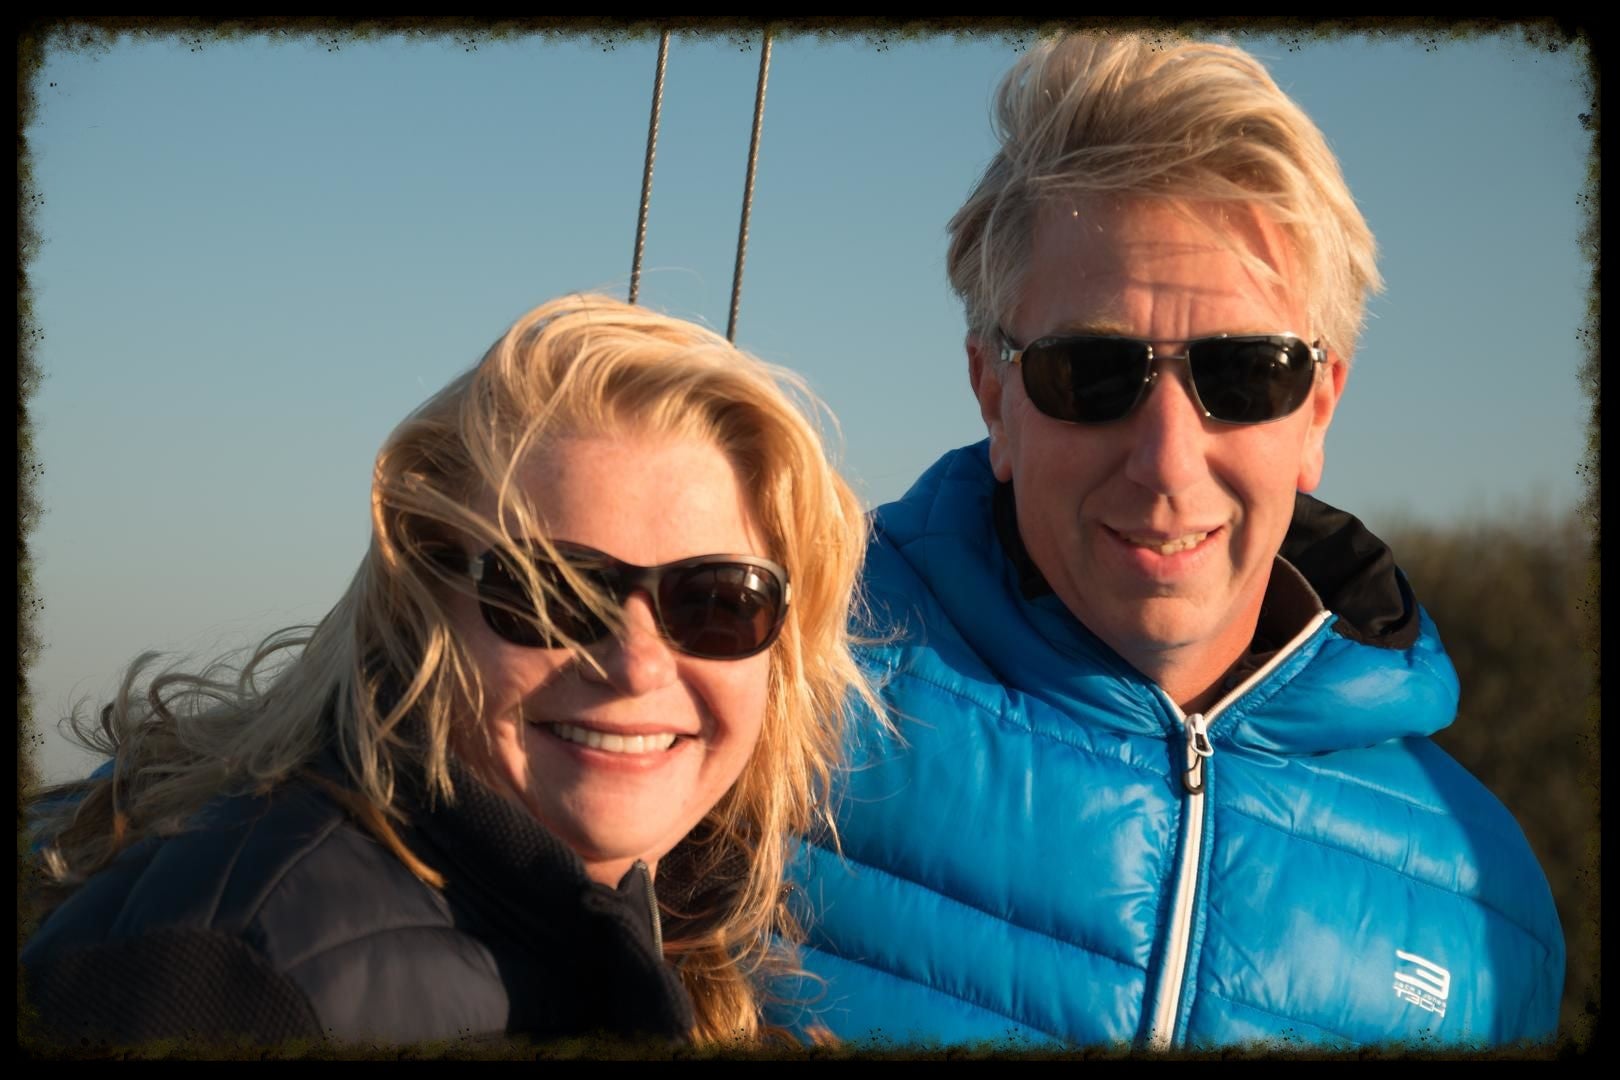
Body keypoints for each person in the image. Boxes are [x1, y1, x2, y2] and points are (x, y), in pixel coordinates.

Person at [778, 34, 1564, 1051]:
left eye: (1246, 375)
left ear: (1319, 407)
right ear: (994, 394)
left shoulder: (1488, 908)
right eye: (1091, 374)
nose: (1167, 462)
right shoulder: (773, 697)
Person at [21, 294, 877, 1051]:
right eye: (551, 591)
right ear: (420, 605)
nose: (637, 662)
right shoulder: (235, 974)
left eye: (718, 601)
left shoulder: (637, 940)